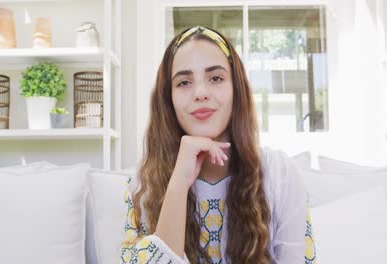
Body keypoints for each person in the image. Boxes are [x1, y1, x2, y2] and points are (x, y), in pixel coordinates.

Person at [119, 26, 317, 264]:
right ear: (168, 99)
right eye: (183, 82)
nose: (200, 93)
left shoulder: (278, 173)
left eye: (216, 78)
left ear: (236, 90)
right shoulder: (143, 184)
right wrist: (178, 186)